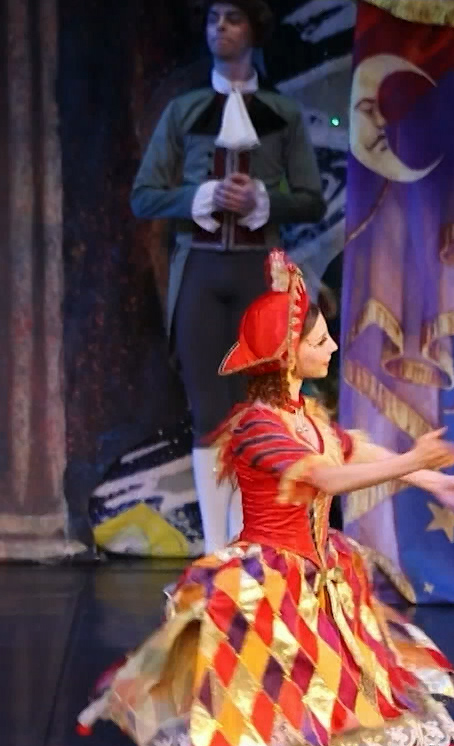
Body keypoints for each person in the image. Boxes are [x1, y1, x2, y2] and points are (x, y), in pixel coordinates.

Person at [79, 252, 454, 746]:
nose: (330, 347)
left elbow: (354, 449)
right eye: (319, 339)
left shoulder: (311, 417)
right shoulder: (256, 426)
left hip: (316, 599)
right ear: (285, 355)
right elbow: (328, 476)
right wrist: (408, 468)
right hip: (258, 603)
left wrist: (431, 481)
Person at [132, 0, 325, 553]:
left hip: (258, 274)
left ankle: (253, 542)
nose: (220, 28)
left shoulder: (282, 114)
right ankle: (216, 549)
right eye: (213, 18)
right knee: (209, 413)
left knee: (257, 409)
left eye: (232, 18)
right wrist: (199, 196)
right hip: (201, 269)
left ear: (254, 30)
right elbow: (145, 196)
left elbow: (311, 199)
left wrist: (265, 198)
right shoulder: (185, 111)